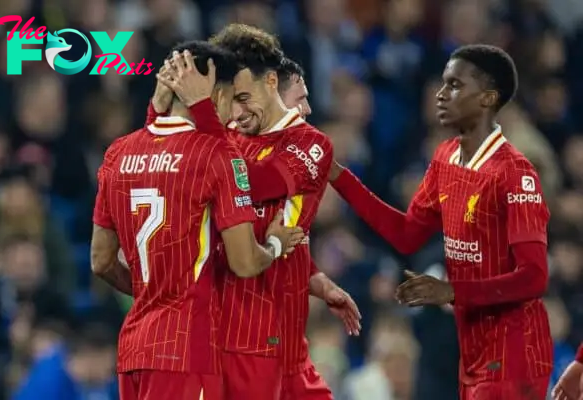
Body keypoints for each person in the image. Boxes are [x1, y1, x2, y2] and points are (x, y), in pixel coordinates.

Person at [329, 44, 553, 400]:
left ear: (487, 98)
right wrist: (339, 177)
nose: (441, 94)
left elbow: (533, 276)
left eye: (455, 85)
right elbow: (406, 235)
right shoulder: (446, 157)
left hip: (513, 352)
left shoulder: (516, 174)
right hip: (469, 348)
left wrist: (452, 291)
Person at [90, 41, 304, 400]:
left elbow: (101, 260)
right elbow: (246, 262)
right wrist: (276, 243)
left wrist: (153, 293)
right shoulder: (217, 155)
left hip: (134, 349)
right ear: (213, 93)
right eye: (234, 96)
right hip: (187, 348)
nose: (237, 112)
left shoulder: (119, 152)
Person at [156, 25, 337, 400]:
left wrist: (204, 113)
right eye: (227, 100)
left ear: (271, 82)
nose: (235, 112)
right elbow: (166, 160)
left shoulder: (310, 144)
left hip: (261, 329)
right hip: (209, 325)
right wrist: (159, 105)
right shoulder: (227, 138)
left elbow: (253, 183)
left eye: (243, 97)